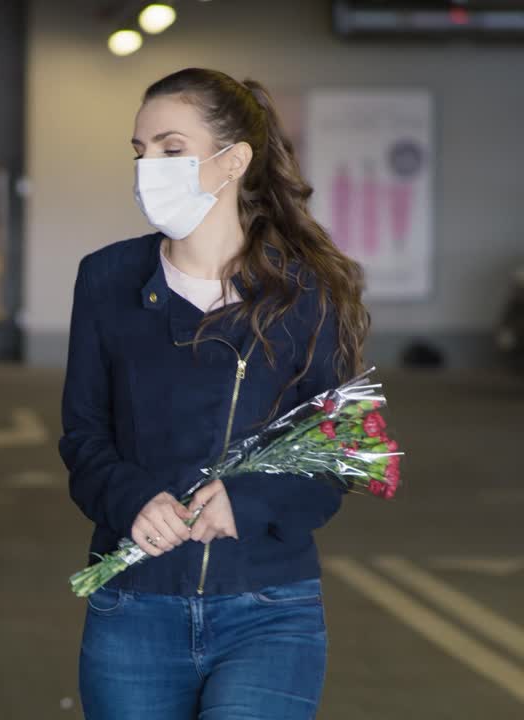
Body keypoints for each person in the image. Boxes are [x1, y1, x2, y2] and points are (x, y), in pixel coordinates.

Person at [60, 68, 370, 720]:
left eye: (171, 149)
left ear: (232, 162)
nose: (149, 169)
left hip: (269, 608)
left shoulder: (307, 290)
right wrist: (132, 498)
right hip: (133, 602)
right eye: (141, 152)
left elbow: (343, 443)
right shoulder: (107, 279)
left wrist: (252, 498)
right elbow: (83, 435)